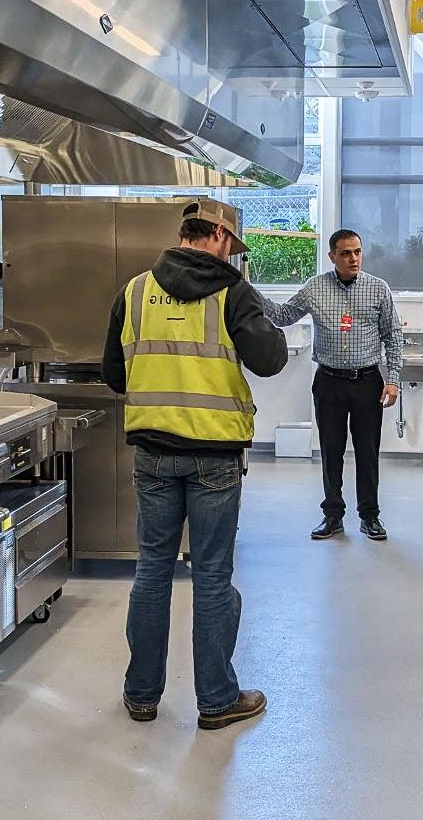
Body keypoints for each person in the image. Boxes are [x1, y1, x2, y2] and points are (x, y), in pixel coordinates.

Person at [101, 199, 287, 729]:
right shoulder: (233, 292)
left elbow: (116, 375)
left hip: (153, 455)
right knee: (210, 576)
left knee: (152, 572)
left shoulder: (134, 291)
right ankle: (217, 700)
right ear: (222, 239)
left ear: (185, 234)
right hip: (214, 459)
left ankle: (141, 695)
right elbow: (271, 360)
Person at [264, 229, 404, 541]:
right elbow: (285, 315)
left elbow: (393, 335)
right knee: (331, 451)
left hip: (367, 381)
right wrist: (250, 295)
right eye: (345, 253)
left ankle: (370, 516)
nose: (353, 258)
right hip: (328, 382)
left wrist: (393, 379)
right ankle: (332, 516)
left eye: (357, 252)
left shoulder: (378, 289)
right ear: (332, 256)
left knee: (367, 452)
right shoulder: (315, 288)